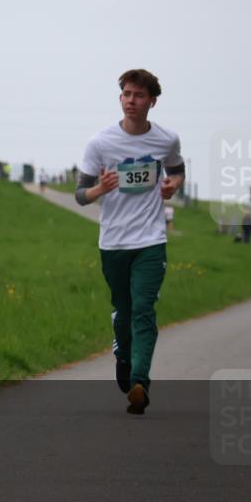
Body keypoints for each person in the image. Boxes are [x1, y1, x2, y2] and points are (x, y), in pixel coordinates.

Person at [75, 69, 184, 415]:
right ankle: (123, 355)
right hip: (113, 243)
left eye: (138, 95)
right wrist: (100, 189)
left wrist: (173, 185)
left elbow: (177, 169)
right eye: (126, 94)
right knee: (123, 312)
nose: (130, 101)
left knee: (143, 309)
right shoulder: (100, 143)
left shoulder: (166, 140)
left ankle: (140, 383)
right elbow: (80, 194)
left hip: (151, 240)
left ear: (152, 101)